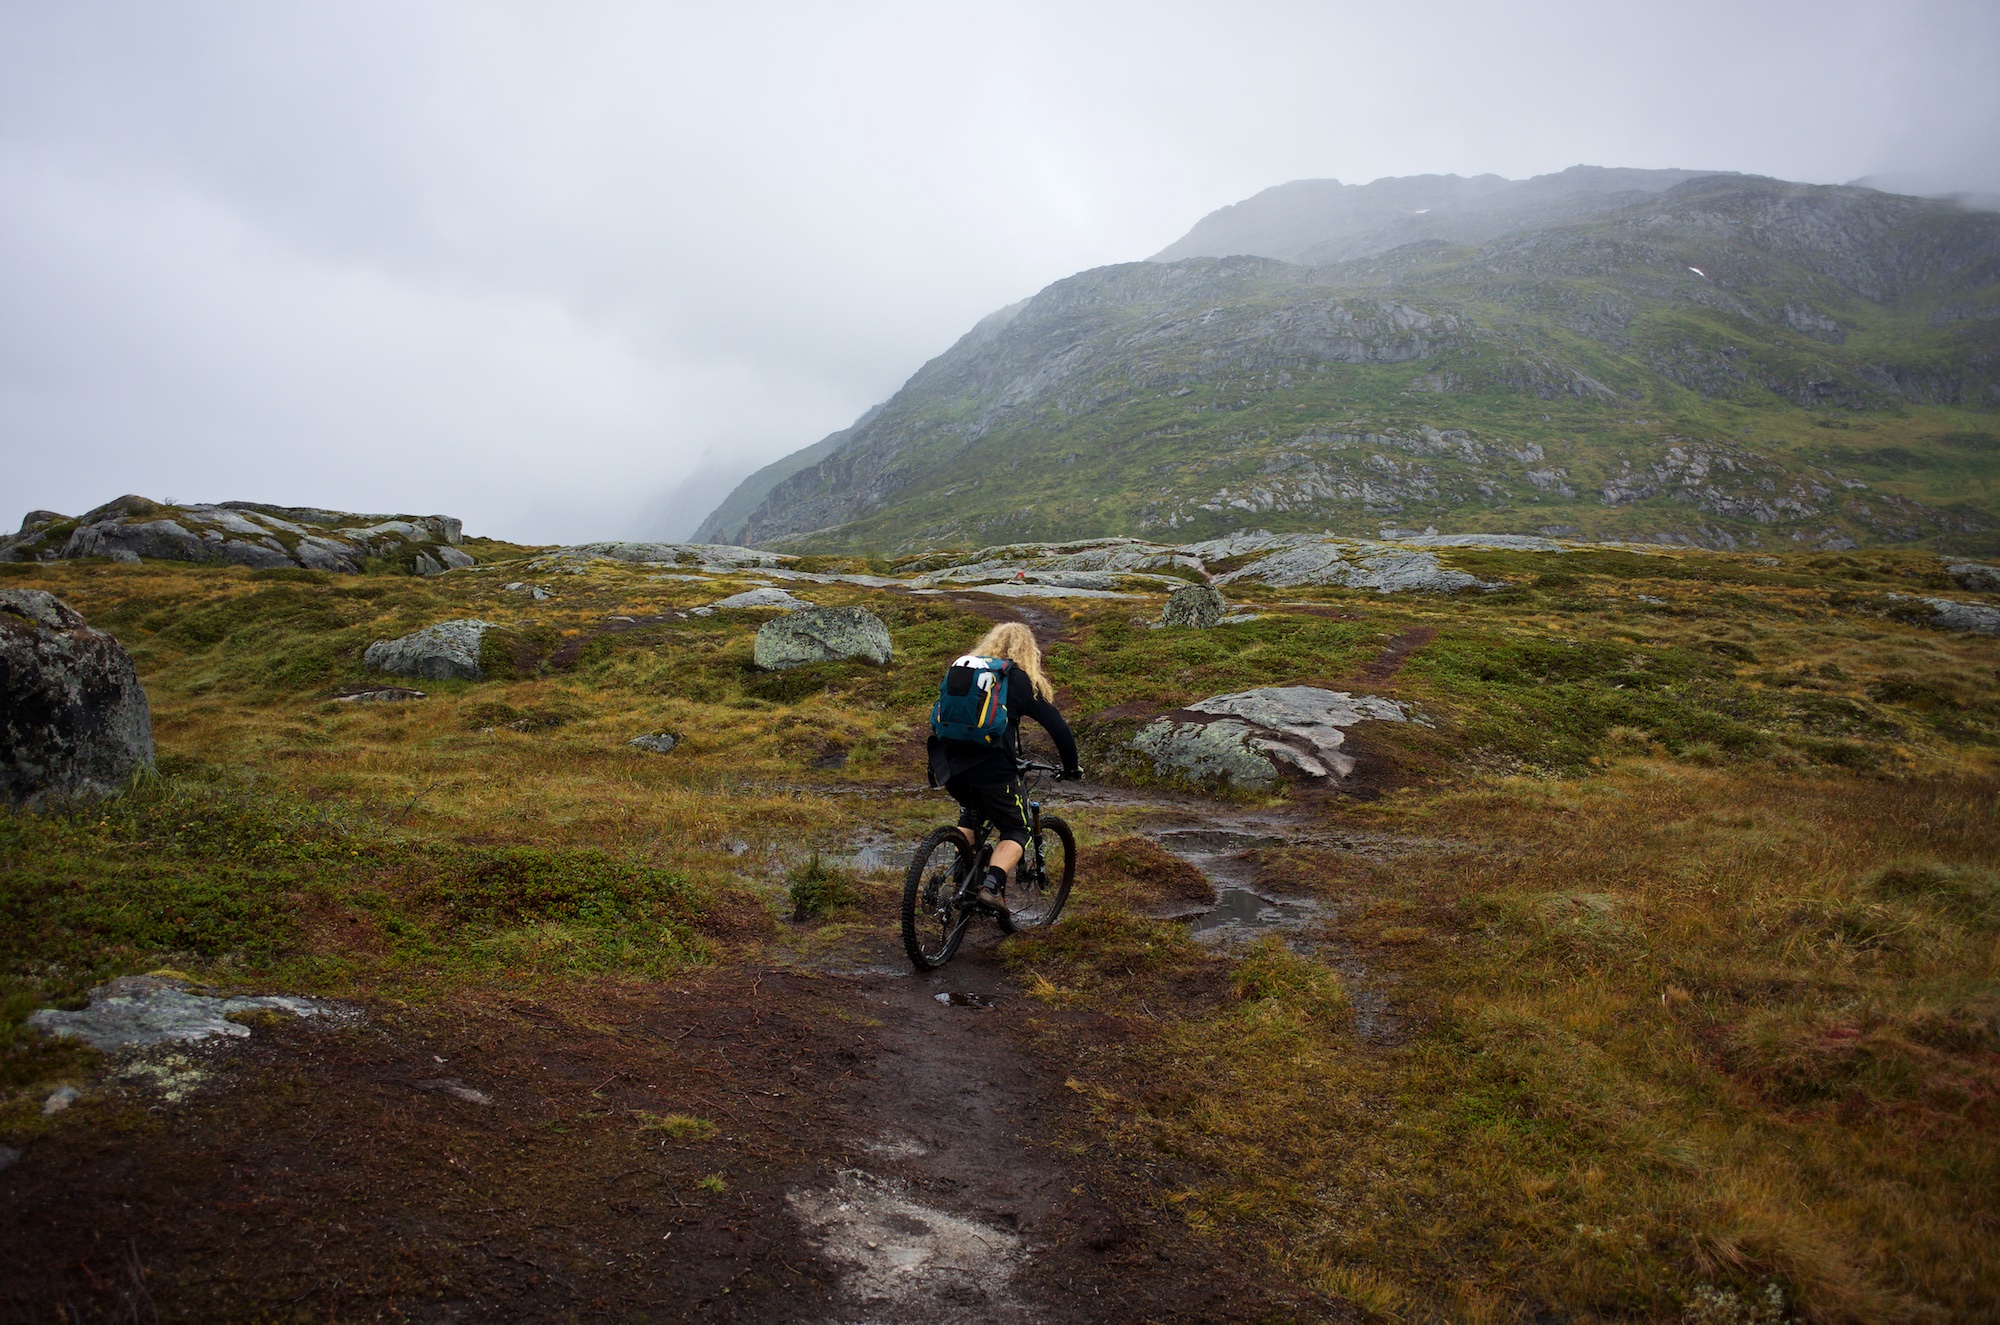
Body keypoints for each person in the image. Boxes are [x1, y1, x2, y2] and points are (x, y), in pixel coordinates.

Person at [926, 621, 1081, 930]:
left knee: (971, 815)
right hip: (993, 770)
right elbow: (1058, 728)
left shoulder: (967, 670)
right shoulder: (1017, 679)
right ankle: (990, 888)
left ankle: (957, 883)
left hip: (949, 766)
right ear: (1028, 650)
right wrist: (1071, 766)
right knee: (1017, 828)